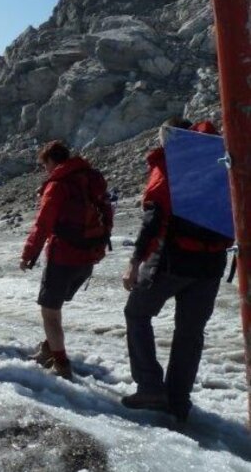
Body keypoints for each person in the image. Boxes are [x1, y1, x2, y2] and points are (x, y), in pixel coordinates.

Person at [121, 119, 232, 422]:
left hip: (173, 259)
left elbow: (154, 216)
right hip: (212, 264)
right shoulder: (224, 158)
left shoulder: (173, 161)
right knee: (190, 332)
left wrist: (134, 262)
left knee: (137, 313)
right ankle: (178, 401)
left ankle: (150, 386)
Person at [20, 141, 112, 380]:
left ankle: (61, 364)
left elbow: (43, 223)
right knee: (56, 306)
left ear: (51, 161)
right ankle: (48, 349)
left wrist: (29, 254)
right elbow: (107, 212)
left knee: (50, 312)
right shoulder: (90, 179)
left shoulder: (59, 185)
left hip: (63, 256)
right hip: (88, 255)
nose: (45, 170)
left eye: (45, 165)